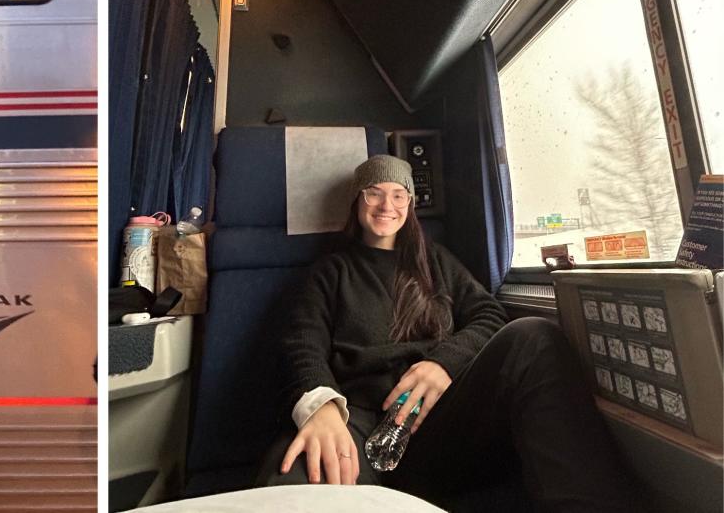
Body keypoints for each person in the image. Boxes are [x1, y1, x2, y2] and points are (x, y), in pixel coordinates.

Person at [258, 155, 643, 512]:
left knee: (534, 336)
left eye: (398, 195)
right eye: (373, 193)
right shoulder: (331, 272)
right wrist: (321, 408)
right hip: (357, 424)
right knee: (295, 473)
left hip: (441, 423)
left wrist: (442, 364)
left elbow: (489, 313)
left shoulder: (437, 261)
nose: (385, 205)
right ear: (357, 202)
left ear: (409, 205)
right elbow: (301, 344)